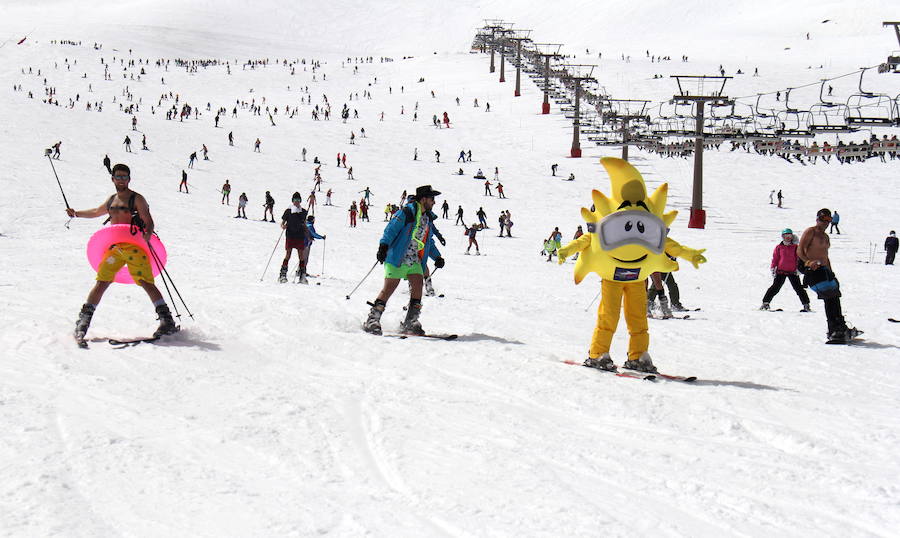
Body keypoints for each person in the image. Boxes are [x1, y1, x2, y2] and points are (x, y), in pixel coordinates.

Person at [67, 164, 177, 343]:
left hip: (135, 248)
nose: (121, 180)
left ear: (129, 179)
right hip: (115, 249)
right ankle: (83, 321)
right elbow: (96, 212)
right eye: (118, 176)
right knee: (102, 281)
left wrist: (148, 234)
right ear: (112, 179)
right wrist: (76, 214)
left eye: (124, 177)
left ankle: (167, 320)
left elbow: (148, 220)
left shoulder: (137, 199)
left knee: (145, 282)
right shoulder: (111, 200)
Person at [364, 185, 445, 335]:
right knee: (389, 288)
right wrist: (383, 246)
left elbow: (428, 241)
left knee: (417, 285)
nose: (434, 202)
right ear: (423, 199)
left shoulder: (428, 218)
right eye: (432, 198)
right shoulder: (407, 212)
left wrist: (437, 257)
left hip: (414, 260)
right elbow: (390, 229)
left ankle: (410, 321)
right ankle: (372, 319)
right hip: (397, 257)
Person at [797, 208, 858, 343]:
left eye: (829, 220)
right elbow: (799, 250)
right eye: (823, 219)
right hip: (813, 270)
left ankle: (840, 327)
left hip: (825, 271)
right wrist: (808, 262)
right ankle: (834, 331)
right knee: (830, 298)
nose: (826, 223)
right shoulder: (810, 231)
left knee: (835, 297)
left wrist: (831, 272)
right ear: (817, 219)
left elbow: (825, 256)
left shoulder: (825, 236)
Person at [760, 229, 811, 312]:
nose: (788, 237)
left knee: (799, 289)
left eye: (789, 235)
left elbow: (799, 258)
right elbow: (775, 258)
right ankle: (765, 303)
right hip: (780, 271)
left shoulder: (795, 247)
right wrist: (773, 268)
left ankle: (806, 305)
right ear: (782, 236)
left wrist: (799, 269)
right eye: (786, 235)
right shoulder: (779, 247)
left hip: (793, 272)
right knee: (775, 288)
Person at [278, 192, 310, 283]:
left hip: (300, 235)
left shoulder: (303, 212)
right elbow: (282, 223)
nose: (297, 202)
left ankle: (302, 276)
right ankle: (283, 275)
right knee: (288, 254)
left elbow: (304, 224)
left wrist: (308, 234)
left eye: (298, 200)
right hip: (290, 235)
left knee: (301, 256)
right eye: (295, 200)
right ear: (292, 201)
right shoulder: (288, 211)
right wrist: (283, 226)